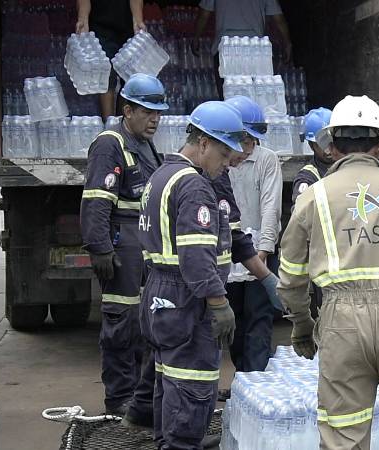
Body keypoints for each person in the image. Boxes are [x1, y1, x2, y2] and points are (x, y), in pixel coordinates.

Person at [278, 95, 379, 449]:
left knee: (343, 432)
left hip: (341, 322)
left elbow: (290, 276)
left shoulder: (314, 197)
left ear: (332, 147)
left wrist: (303, 326)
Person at [137, 100, 243, 449]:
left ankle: (168, 440)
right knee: (193, 381)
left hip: (158, 290)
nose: (226, 164)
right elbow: (197, 257)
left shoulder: (160, 176)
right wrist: (217, 302)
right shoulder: (194, 186)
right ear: (203, 144)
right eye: (224, 154)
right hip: (185, 297)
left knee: (168, 379)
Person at [80, 73, 167, 416]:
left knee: (144, 325)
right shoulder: (110, 143)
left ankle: (138, 400)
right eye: (148, 111)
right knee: (121, 326)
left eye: (158, 112)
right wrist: (100, 247)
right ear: (127, 110)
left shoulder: (144, 144)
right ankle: (118, 402)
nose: (155, 118)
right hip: (122, 252)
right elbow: (96, 200)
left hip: (142, 250)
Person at [224, 95, 284, 372]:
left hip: (259, 250)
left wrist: (263, 250)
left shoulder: (267, 160)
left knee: (259, 316)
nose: (246, 149)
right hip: (230, 251)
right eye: (242, 141)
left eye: (251, 142)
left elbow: (271, 206)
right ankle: (241, 376)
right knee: (234, 316)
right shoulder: (223, 160)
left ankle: (256, 376)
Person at [192, 0, 292, 98]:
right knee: (258, 98)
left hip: (226, 49)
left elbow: (204, 15)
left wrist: (196, 38)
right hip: (256, 49)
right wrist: (287, 44)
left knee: (229, 98)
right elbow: (279, 19)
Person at [291, 107, 333, 311]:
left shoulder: (347, 167)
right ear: (310, 143)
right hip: (324, 260)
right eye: (320, 143)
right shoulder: (308, 177)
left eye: (329, 140)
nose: (326, 148)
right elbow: (302, 221)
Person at [76, 0, 146, 119]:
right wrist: (83, 18)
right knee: (106, 74)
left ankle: (122, 123)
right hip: (100, 24)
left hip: (127, 25)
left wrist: (138, 20)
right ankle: (108, 125)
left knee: (130, 78)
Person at [291, 107, 334, 204]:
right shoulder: (307, 176)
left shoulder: (348, 165)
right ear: (311, 146)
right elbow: (300, 212)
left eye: (330, 142)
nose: (328, 149)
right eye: (321, 144)